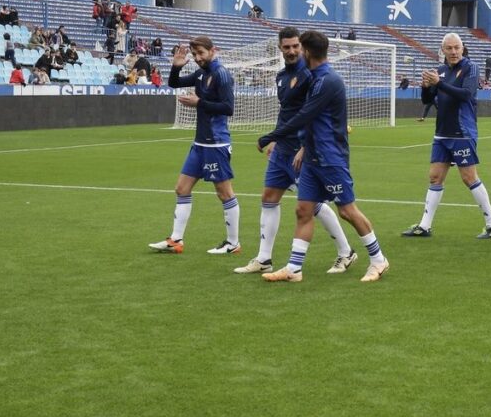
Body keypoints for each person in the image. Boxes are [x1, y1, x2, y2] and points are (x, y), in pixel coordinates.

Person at [254, 31, 388, 283]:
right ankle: (294, 269)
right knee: (303, 210)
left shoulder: (327, 80)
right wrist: (304, 147)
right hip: (312, 157)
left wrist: (269, 136)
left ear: (306, 51)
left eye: (299, 48)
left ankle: (379, 259)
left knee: (347, 211)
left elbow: (304, 116)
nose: (295, 53)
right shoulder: (314, 77)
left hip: (330, 157)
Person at [234, 28, 360, 276]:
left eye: (295, 47)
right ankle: (264, 258)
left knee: (313, 205)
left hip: (302, 150)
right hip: (282, 149)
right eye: (287, 47)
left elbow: (312, 113)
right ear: (280, 48)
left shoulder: (310, 75)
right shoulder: (281, 76)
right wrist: (276, 139)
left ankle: (346, 252)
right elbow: (287, 111)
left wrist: (304, 147)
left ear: (302, 48)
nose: (291, 51)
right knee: (269, 197)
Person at [149, 37, 242, 255]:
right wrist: (175, 67)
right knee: (181, 189)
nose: (198, 58)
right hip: (200, 143)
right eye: (194, 54)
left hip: (216, 143)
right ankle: (176, 240)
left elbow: (228, 108)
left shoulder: (221, 74)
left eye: (201, 53)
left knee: (225, 193)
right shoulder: (201, 73)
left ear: (213, 50)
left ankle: (233, 243)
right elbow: (174, 83)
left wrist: (199, 102)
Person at [403, 33, 491, 239]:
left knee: (469, 178)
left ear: (463, 48)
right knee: (435, 177)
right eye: (449, 48)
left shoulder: (470, 67)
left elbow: (466, 94)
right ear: (443, 50)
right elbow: (427, 100)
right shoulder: (439, 70)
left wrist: (438, 83)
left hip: (462, 132)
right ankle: (425, 226)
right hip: (442, 133)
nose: (454, 51)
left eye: (457, 47)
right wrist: (425, 86)